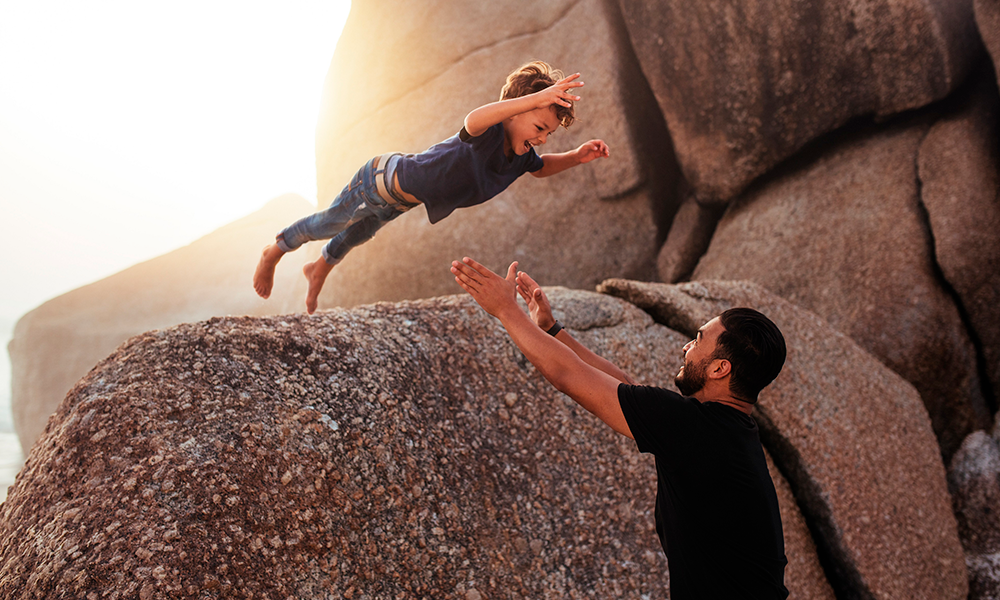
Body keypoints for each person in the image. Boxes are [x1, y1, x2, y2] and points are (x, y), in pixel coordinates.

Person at [450, 257, 790, 599]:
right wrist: (551, 329)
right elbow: (625, 386)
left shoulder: (698, 429)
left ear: (719, 368)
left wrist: (506, 311)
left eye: (698, 340)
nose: (686, 347)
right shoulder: (723, 430)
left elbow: (569, 376)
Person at [253, 61, 610, 314]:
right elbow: (473, 119)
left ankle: (318, 268)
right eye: (539, 126)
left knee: (358, 234)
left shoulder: (519, 157)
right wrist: (534, 99)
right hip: (377, 179)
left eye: (549, 133)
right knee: (330, 223)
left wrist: (577, 156)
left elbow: (542, 168)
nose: (543, 138)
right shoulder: (487, 134)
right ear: (513, 112)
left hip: (396, 201)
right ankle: (276, 248)